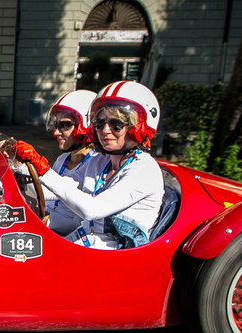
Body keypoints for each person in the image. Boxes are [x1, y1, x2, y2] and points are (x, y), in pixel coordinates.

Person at [13, 81, 164, 249]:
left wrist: (43, 170)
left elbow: (91, 210)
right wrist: (18, 167)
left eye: (116, 124)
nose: (105, 130)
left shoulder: (144, 169)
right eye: (100, 124)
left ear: (138, 127)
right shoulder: (100, 161)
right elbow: (78, 217)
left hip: (117, 260)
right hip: (86, 247)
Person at [43, 89, 98, 235]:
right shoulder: (63, 160)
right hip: (47, 230)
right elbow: (47, 196)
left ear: (86, 125)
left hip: (65, 239)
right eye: (57, 125)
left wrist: (43, 221)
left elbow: (81, 221)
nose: (56, 132)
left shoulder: (94, 166)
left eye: (65, 125)